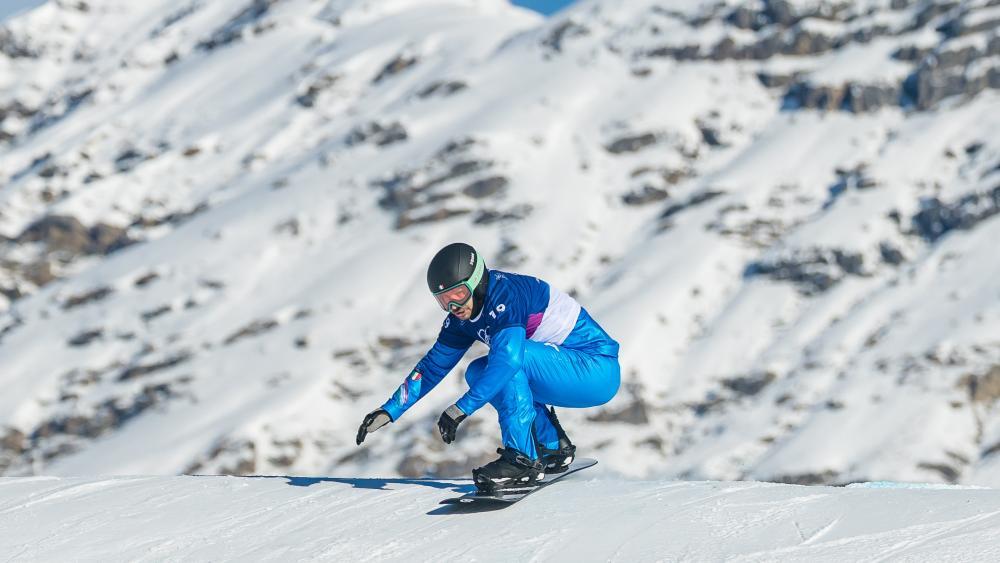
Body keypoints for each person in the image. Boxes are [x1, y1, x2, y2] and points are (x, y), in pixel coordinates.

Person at [355, 242, 620, 491]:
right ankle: (551, 446)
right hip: (571, 370)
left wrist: (461, 408)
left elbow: (510, 360)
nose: (454, 306)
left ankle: (522, 461)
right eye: (443, 300)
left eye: (458, 294)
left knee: (509, 360)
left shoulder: (505, 295)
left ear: (477, 281)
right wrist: (390, 409)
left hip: (597, 371)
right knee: (477, 371)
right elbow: (432, 367)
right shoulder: (462, 318)